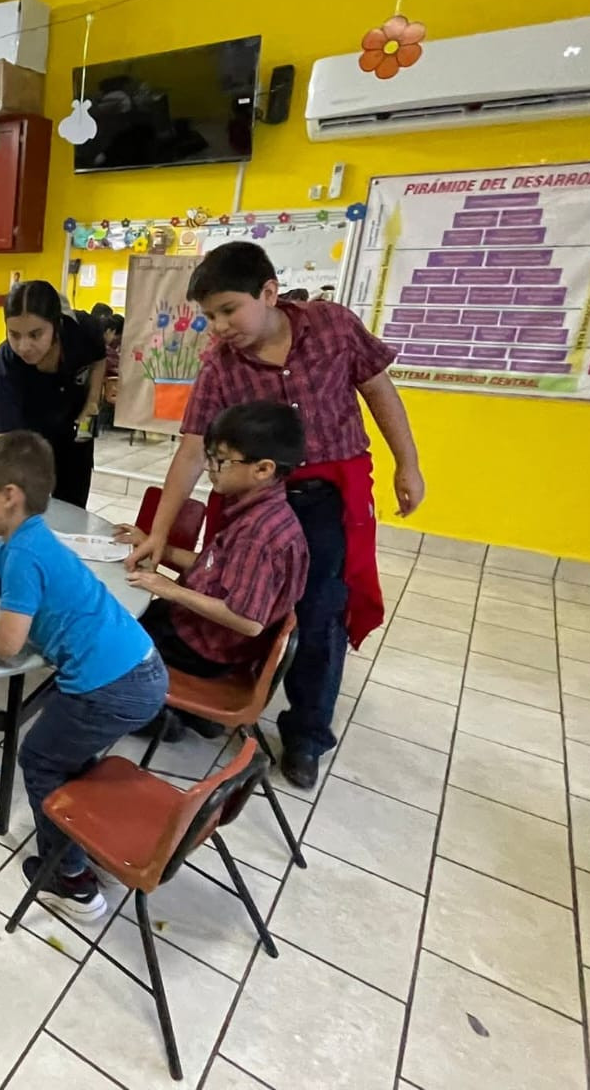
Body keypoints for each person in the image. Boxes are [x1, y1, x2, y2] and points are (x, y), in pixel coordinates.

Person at [124, 242, 424, 790]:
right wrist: (159, 535)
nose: (218, 327)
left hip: (329, 497)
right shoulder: (218, 364)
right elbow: (192, 451)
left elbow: (380, 390)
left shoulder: (332, 328)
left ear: (268, 292)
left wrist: (409, 465)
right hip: (251, 500)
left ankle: (307, 734)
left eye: (228, 311)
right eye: (209, 316)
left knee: (321, 615)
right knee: (236, 593)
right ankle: (209, 703)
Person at [0, 432, 167, 924]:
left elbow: (6, 645)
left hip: (111, 687)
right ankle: (86, 840)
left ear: (9, 496)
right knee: (68, 754)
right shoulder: (26, 540)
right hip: (140, 668)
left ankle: (73, 883)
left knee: (40, 757)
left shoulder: (22, 556)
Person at [118, 403, 309, 740]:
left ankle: (155, 718)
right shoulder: (259, 510)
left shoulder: (258, 534)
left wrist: (170, 589)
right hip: (202, 630)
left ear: (263, 469)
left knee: (105, 631)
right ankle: (182, 713)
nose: (209, 468)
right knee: (123, 610)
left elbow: (248, 621)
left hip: (203, 647)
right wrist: (155, 545)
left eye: (220, 460)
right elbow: (214, 567)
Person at [0, 280, 107, 508]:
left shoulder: (83, 330)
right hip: (30, 439)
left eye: (35, 335)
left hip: (75, 433)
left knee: (72, 509)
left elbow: (99, 359)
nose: (24, 347)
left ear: (57, 325)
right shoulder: (7, 364)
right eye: (14, 335)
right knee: (28, 507)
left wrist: (92, 403)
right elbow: (5, 439)